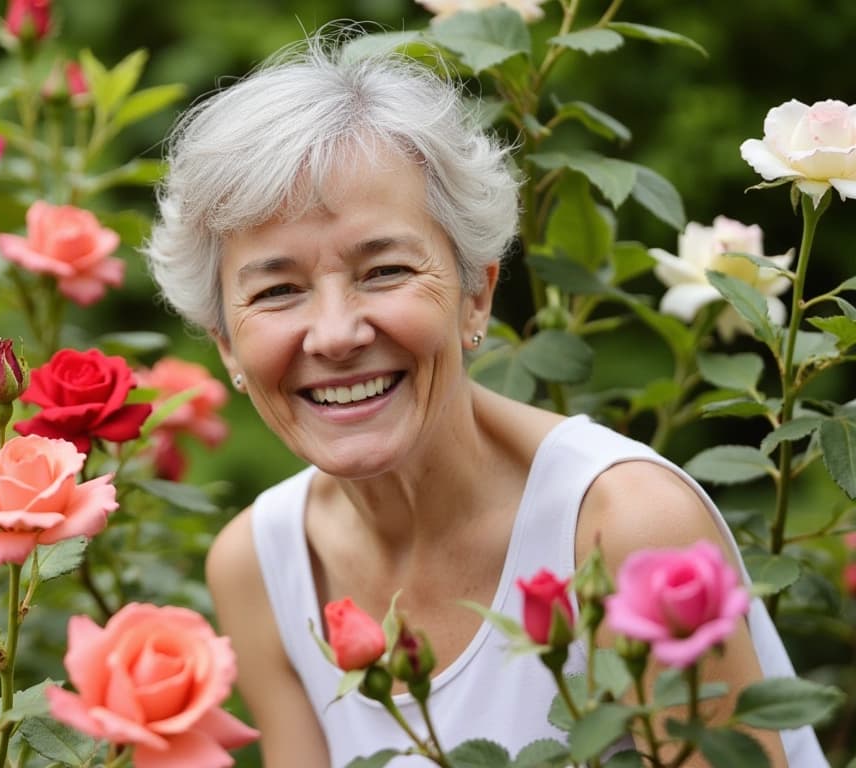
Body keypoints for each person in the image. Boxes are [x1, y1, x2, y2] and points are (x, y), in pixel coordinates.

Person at [142, 33, 825, 768]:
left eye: (384, 270)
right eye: (277, 290)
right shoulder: (257, 564)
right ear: (224, 344)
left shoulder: (628, 526)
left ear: (477, 296)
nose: (336, 335)